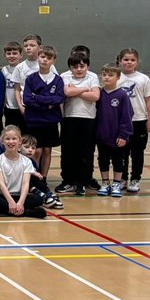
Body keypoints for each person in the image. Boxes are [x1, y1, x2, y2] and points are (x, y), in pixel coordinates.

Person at [57, 51, 100, 197]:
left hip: (88, 118)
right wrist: (84, 89)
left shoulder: (93, 76)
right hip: (69, 118)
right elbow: (66, 93)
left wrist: (74, 90)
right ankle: (68, 180)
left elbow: (95, 96)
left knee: (86, 152)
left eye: (82, 66)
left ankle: (83, 181)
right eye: (75, 67)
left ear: (87, 66)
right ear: (70, 67)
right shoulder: (64, 76)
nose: (79, 69)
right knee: (68, 152)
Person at [22, 45, 65, 180]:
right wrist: (47, 104)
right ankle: (34, 176)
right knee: (36, 150)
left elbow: (59, 98)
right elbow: (27, 99)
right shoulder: (31, 78)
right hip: (34, 121)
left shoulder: (58, 80)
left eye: (49, 58)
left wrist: (38, 97)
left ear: (53, 60)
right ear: (38, 58)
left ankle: (44, 178)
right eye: (42, 57)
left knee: (47, 150)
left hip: (50, 121)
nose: (45, 60)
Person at [117, 47, 150, 194]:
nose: (129, 62)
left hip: (139, 120)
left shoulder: (143, 79)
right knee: (122, 153)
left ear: (137, 62)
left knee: (137, 153)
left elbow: (149, 100)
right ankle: (122, 178)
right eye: (125, 59)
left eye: (132, 60)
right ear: (120, 61)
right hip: (121, 122)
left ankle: (135, 179)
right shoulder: (115, 77)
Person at [0, 126, 47, 218]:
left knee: (39, 199)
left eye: (14, 139)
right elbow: (1, 183)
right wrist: (11, 202)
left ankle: (3, 210)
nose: (11, 142)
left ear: (20, 141)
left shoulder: (26, 161)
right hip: (3, 195)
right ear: (2, 141)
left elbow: (25, 184)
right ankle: (25, 212)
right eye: (7, 139)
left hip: (19, 196)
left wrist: (20, 203)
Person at [96, 63, 134, 198]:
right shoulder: (98, 94)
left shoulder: (122, 95)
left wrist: (124, 135)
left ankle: (116, 183)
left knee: (118, 160)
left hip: (118, 136)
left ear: (118, 77)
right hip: (102, 136)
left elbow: (127, 116)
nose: (106, 78)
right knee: (103, 159)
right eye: (104, 75)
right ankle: (105, 182)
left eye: (111, 75)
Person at [1, 41, 25, 130]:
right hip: (9, 107)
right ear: (5, 55)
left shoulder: (23, 68)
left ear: (21, 55)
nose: (11, 56)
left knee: (23, 133)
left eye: (15, 53)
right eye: (8, 53)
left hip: (22, 107)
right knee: (10, 132)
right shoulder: (4, 70)